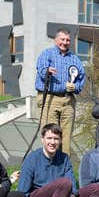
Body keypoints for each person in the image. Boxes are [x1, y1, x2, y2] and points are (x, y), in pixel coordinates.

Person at [17, 123, 99, 197]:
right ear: (42, 139)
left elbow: (73, 189)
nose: (52, 142)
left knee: (97, 189)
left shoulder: (64, 158)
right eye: (49, 138)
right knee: (64, 183)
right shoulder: (32, 159)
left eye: (56, 139)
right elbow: (22, 192)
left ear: (60, 140)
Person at [35, 28, 86, 156]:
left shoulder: (75, 59)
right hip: (50, 99)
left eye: (68, 40)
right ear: (56, 40)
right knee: (51, 136)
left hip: (68, 100)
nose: (65, 42)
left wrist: (75, 87)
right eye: (62, 39)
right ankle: (49, 167)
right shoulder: (47, 54)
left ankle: (64, 169)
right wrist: (47, 72)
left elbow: (81, 78)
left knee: (66, 138)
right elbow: (41, 70)